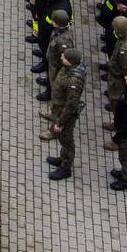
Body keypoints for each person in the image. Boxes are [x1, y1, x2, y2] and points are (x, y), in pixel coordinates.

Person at [42, 47, 85, 179]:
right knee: (62, 139)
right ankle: (62, 159)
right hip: (59, 110)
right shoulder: (67, 69)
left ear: (70, 62)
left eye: (64, 58)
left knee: (67, 141)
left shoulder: (74, 81)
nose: (61, 58)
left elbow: (71, 105)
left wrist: (60, 123)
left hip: (65, 116)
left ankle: (66, 168)